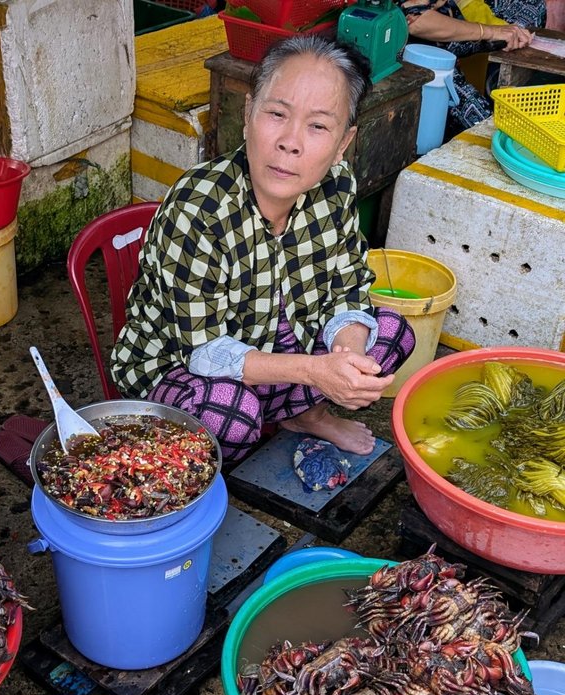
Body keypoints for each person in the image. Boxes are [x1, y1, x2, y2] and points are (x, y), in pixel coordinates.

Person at [109, 35, 416, 464]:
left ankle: (308, 414)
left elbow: (348, 286)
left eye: (318, 126)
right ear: (249, 112)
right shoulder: (199, 207)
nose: (290, 142)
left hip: (279, 346)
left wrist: (346, 358)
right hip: (184, 368)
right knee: (232, 418)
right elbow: (204, 352)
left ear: (343, 142)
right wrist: (315, 372)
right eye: (277, 114)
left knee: (391, 335)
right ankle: (206, 470)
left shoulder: (335, 185)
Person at [399, 0, 546, 130]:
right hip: (405, 46)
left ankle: (499, 69)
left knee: (533, 5)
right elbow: (415, 20)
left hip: (445, 18)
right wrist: (489, 31)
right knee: (483, 123)